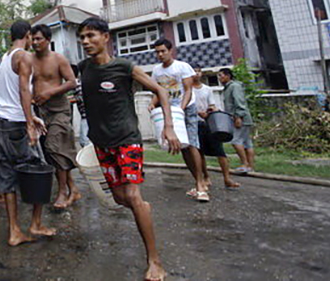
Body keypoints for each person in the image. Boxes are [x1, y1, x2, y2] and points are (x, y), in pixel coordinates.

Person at [77, 17, 179, 281]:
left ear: (106, 37)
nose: (86, 42)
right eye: (82, 38)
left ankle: (154, 261)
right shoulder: (82, 69)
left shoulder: (124, 67)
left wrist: (168, 126)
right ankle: (143, 208)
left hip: (127, 139)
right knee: (121, 199)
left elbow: (161, 91)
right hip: (101, 142)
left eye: (91, 36)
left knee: (132, 196)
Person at [0, 20, 54, 246]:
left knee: (7, 176)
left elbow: (10, 95)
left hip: (0, 122)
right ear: (27, 35)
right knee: (40, 170)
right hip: (17, 124)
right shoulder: (24, 57)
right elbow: (23, 91)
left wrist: (31, 116)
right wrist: (29, 122)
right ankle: (35, 223)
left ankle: (14, 230)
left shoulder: (6, 58)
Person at [150, 38, 208, 203]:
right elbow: (157, 91)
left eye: (163, 51)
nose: (160, 54)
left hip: (185, 109)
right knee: (182, 146)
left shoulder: (182, 66)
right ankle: (199, 181)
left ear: (170, 51)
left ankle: (200, 185)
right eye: (157, 52)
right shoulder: (156, 71)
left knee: (192, 144)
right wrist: (152, 103)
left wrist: (181, 109)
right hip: (169, 111)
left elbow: (188, 90)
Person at [30, 24, 81, 209]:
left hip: (59, 109)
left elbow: (72, 82)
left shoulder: (58, 59)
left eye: (38, 39)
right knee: (52, 154)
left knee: (54, 148)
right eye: (33, 39)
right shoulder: (29, 60)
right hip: (40, 112)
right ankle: (73, 188)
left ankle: (62, 192)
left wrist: (50, 93)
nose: (35, 42)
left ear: (48, 40)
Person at [192, 66, 240, 189]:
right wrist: (198, 113)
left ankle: (227, 178)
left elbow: (212, 104)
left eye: (198, 71)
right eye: (194, 71)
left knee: (220, 151)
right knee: (199, 152)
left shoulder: (207, 89)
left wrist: (211, 110)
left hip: (210, 122)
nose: (196, 74)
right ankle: (206, 177)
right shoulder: (188, 90)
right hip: (195, 123)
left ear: (201, 73)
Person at [219, 68, 256, 174]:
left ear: (228, 76)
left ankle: (245, 164)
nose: (220, 78)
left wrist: (238, 117)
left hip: (240, 118)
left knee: (236, 141)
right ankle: (250, 166)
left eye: (221, 75)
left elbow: (239, 102)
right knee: (246, 143)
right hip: (240, 118)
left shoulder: (234, 86)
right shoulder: (228, 88)